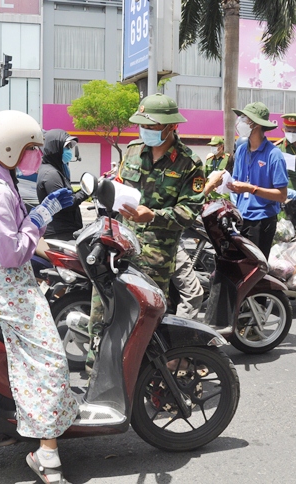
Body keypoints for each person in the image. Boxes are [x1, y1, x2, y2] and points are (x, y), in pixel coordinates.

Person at [0, 111, 78, 484]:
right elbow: (11, 254)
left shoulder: (0, 181)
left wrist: (38, 224)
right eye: (31, 149)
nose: (37, 157)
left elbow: (15, 241)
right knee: (50, 359)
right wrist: (41, 216)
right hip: (6, 282)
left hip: (10, 278)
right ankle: (46, 453)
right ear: (8, 150)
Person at [85, 93, 205, 368]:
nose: (146, 131)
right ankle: (97, 375)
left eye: (152, 126)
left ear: (171, 126)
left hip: (155, 259)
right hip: (118, 248)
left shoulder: (189, 163)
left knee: (145, 323)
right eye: (143, 126)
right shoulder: (132, 150)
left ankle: (146, 383)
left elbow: (189, 212)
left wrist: (154, 216)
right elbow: (118, 186)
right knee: (103, 315)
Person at [227, 102, 288, 259]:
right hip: (241, 218)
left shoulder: (274, 155)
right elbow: (236, 180)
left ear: (256, 125)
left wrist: (251, 189)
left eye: (244, 119)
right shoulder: (241, 150)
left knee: (255, 270)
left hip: (262, 221)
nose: (239, 122)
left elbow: (281, 195)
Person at [37, 129, 88, 241]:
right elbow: (65, 204)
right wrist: (85, 192)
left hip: (65, 231)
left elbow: (67, 195)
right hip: (59, 234)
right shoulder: (51, 174)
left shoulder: (57, 170)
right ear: (55, 147)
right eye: (66, 147)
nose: (69, 151)